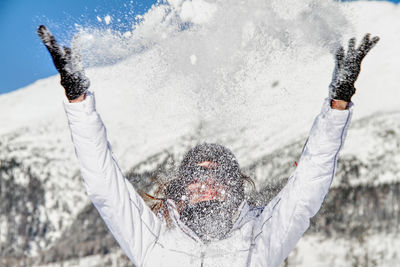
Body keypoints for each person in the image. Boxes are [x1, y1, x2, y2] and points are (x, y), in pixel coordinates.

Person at [37, 25, 379, 267]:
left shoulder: (260, 239)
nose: (206, 186)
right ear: (182, 186)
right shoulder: (155, 240)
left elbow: (307, 189)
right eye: (197, 177)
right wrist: (78, 100)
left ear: (233, 186)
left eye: (217, 176)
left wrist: (338, 101)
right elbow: (102, 184)